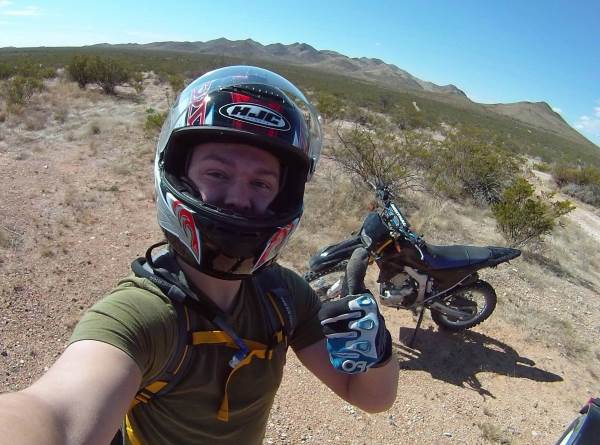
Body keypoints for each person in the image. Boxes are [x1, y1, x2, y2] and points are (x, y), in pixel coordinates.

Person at [0, 66, 399, 445]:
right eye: (217, 174)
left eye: (261, 183)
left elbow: (369, 397)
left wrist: (376, 351)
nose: (240, 199)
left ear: (284, 195)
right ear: (178, 175)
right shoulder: (141, 315)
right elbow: (54, 414)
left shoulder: (283, 295)